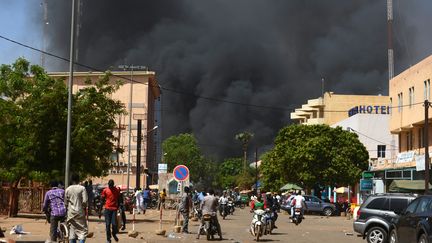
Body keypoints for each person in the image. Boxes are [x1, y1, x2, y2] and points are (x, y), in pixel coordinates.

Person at [65, 174, 88, 243]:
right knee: (83, 231)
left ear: (72, 180)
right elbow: (85, 201)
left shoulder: (68, 189)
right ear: (78, 179)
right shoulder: (82, 188)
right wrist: (83, 206)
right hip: (79, 212)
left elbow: (65, 202)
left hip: (71, 213)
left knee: (72, 232)